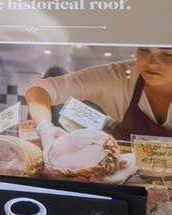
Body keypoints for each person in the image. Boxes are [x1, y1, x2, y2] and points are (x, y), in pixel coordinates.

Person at [26, 49, 172, 152]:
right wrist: (45, 128)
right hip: (127, 187)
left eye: (166, 55)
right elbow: (40, 89)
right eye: (144, 50)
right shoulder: (120, 77)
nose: (151, 62)